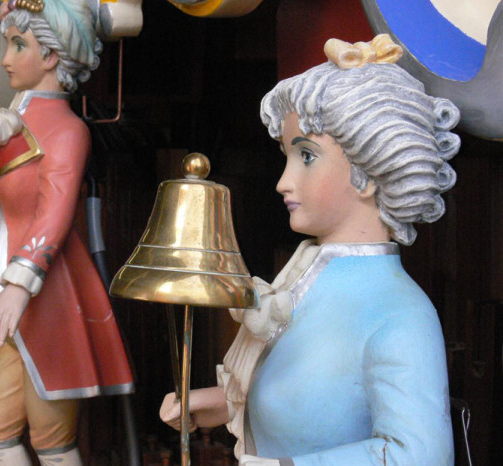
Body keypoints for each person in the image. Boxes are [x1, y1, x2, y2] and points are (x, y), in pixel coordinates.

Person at [159, 34, 459, 465]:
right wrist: (217, 402)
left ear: (369, 172)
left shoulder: (400, 313)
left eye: (306, 156)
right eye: (287, 156)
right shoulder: (305, 275)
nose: (283, 181)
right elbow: (307, 395)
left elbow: (420, 455)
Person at [0, 1, 134, 464]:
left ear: (52, 57)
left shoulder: (65, 130)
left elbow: (52, 216)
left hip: (52, 302)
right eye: (8, 43)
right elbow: (7, 219)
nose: (5, 58)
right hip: (17, 312)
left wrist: (17, 287)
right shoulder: (19, 124)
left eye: (18, 44)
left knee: (51, 441)